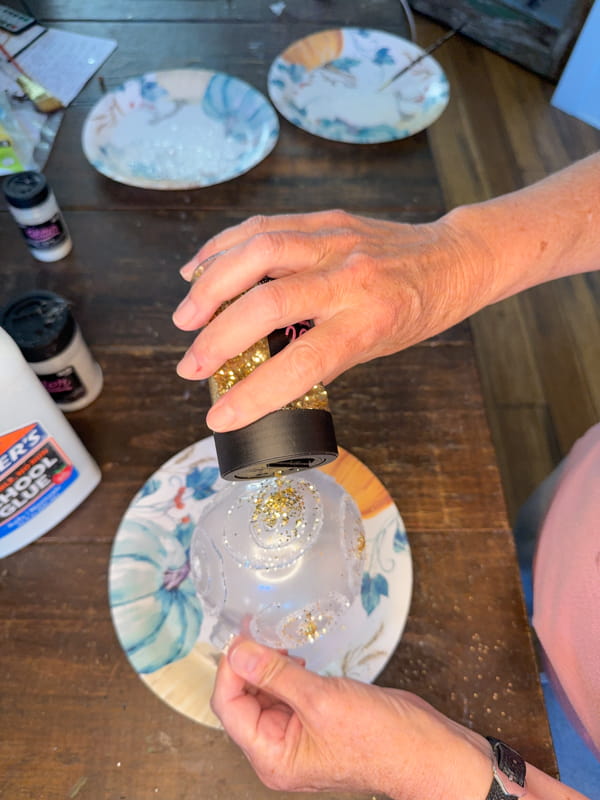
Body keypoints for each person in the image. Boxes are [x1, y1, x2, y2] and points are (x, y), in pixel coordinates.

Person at [173, 152, 600, 799]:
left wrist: (443, 774)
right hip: (578, 521)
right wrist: (463, 252)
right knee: (533, 557)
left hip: (579, 741)